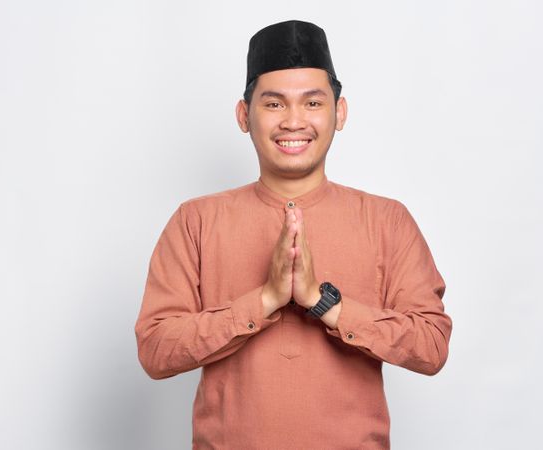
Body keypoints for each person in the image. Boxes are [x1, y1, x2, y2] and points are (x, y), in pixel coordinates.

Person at [135, 19, 452, 449]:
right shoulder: (195, 222)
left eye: (313, 103)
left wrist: (325, 304)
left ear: (339, 113)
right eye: (274, 104)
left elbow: (431, 346)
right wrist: (263, 300)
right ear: (244, 115)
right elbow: (155, 350)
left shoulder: (387, 221)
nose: (294, 121)